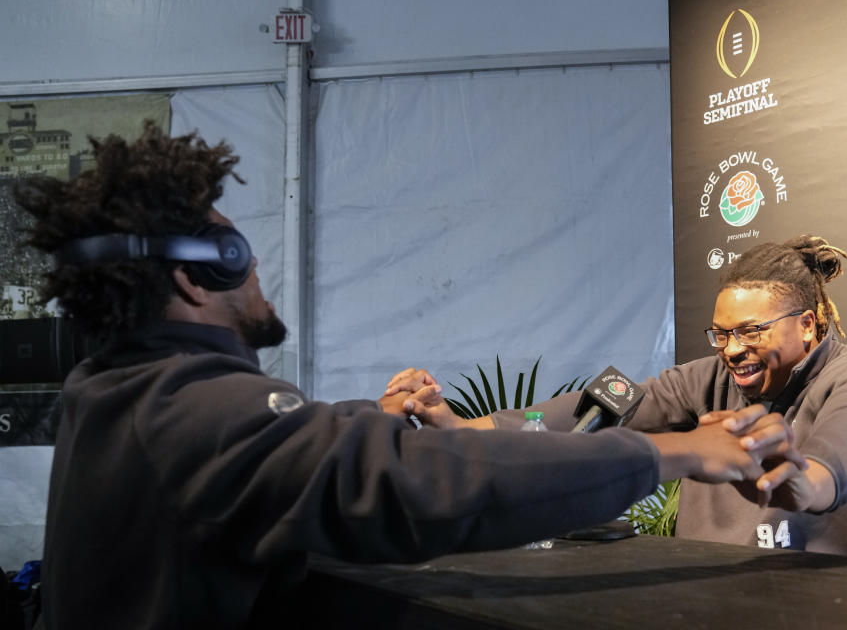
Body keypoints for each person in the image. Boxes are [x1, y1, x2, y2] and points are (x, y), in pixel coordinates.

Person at [14, 123, 806, 629]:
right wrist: (673, 454)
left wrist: (376, 413)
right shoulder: (193, 412)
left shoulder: (113, 388)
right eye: (240, 254)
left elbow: (278, 449)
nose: (258, 277)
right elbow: (411, 483)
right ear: (200, 276)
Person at [395, 236, 847, 559]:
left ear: (807, 325)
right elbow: (591, 409)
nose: (733, 350)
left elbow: (842, 448)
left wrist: (803, 484)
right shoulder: (710, 377)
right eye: (721, 333)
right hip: (709, 602)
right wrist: (465, 429)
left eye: (751, 330)